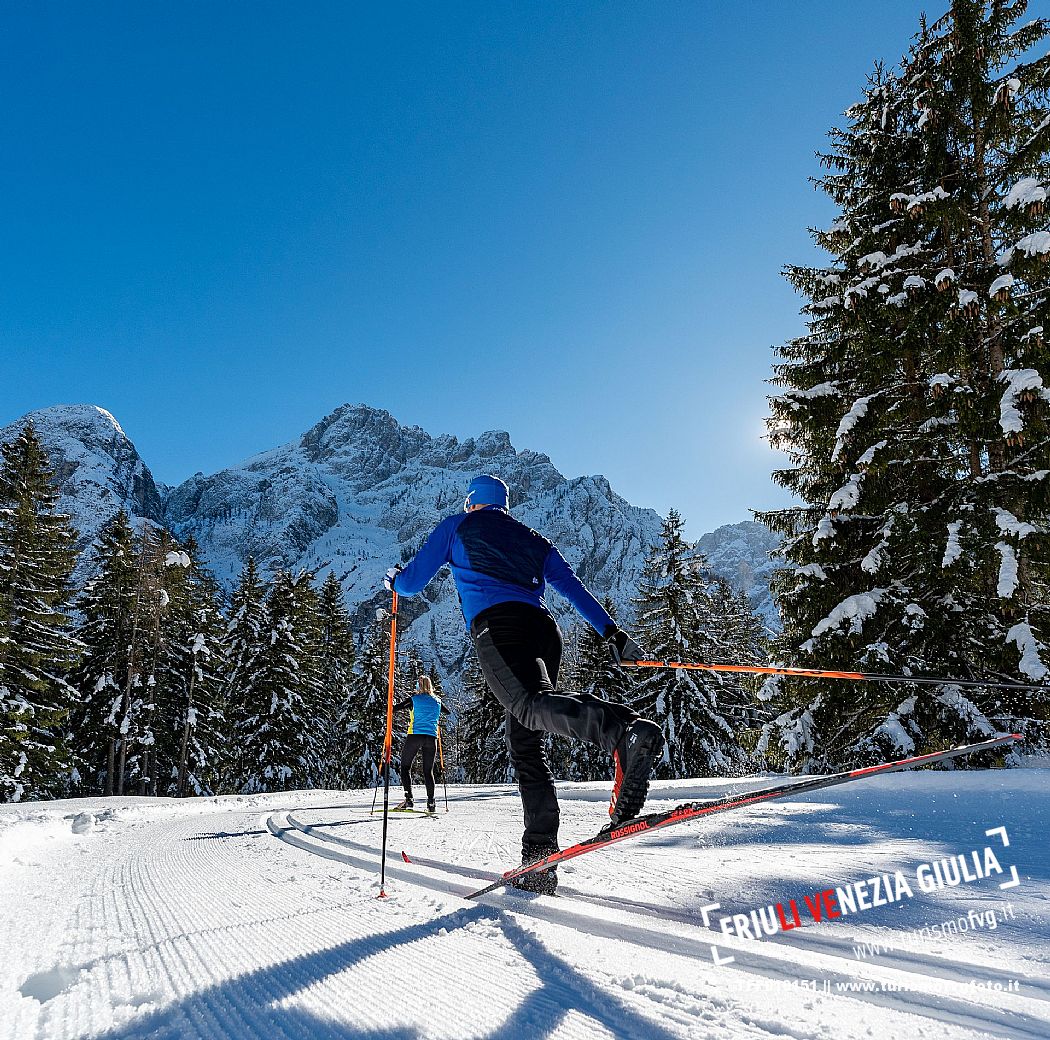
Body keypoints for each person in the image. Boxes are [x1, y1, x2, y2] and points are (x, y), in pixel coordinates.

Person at [384, 473, 662, 894]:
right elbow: (574, 590)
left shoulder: (457, 526)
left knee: (530, 705)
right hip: (544, 630)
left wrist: (394, 580)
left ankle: (622, 731)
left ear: (472, 503)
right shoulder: (533, 538)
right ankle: (538, 858)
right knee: (526, 739)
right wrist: (613, 634)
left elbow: (411, 583)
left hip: (497, 628)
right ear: (504, 506)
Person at [392, 675, 442, 814]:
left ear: (419, 686)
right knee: (428, 771)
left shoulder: (414, 700)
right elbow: (446, 711)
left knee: (405, 767)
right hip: (431, 738)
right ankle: (431, 803)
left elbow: (394, 709)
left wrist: (391, 703)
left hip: (415, 735)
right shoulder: (437, 701)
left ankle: (409, 800)